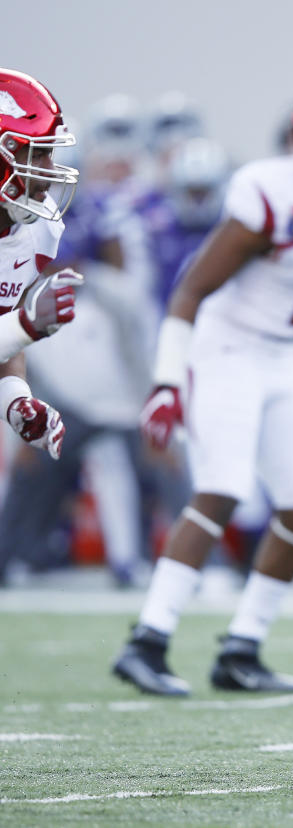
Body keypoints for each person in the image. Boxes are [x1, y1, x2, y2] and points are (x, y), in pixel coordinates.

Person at [110, 76, 293, 696]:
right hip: (227, 350)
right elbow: (189, 291)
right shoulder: (271, 192)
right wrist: (167, 382)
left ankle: (241, 649)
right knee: (223, 489)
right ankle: (147, 641)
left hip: (282, 355)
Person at [0, 68, 86, 583]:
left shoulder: (35, 230)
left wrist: (15, 400)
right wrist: (27, 327)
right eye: (38, 153)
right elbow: (13, 328)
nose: (51, 168)